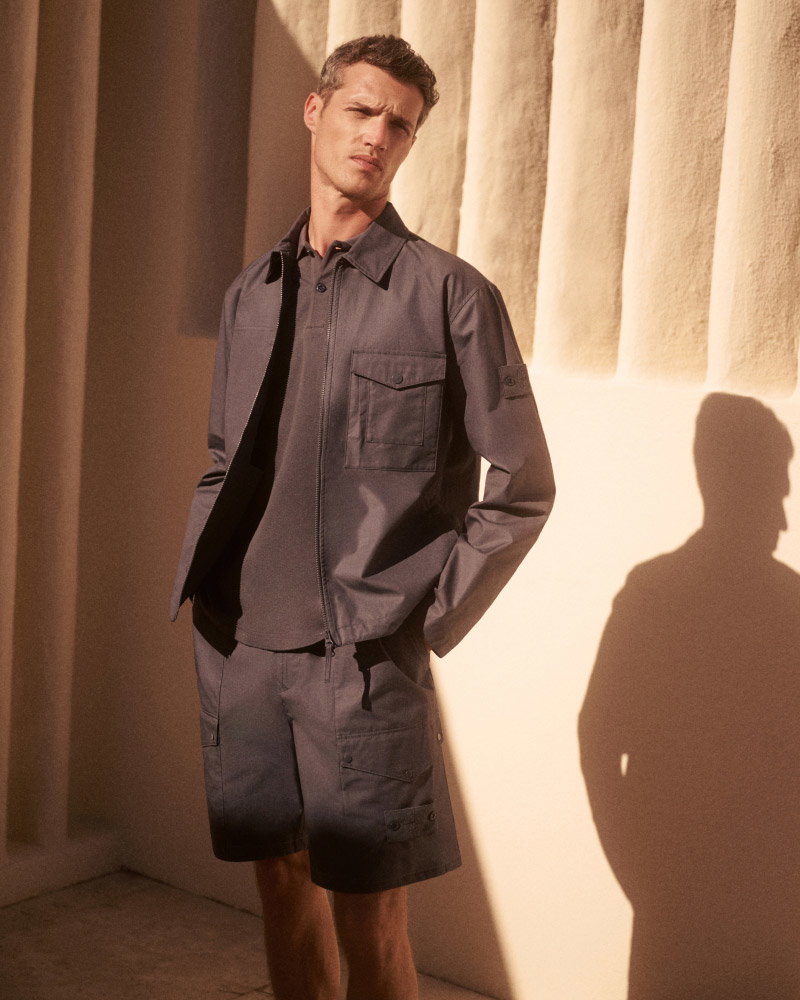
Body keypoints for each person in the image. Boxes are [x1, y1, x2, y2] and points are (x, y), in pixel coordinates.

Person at [170, 34, 554, 1000]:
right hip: (246, 648)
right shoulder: (251, 293)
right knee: (281, 888)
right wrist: (209, 594)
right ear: (316, 110)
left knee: (372, 913)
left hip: (365, 660)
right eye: (361, 110)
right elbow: (225, 460)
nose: (376, 136)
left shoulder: (452, 296)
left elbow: (521, 486)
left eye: (400, 125)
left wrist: (423, 618)